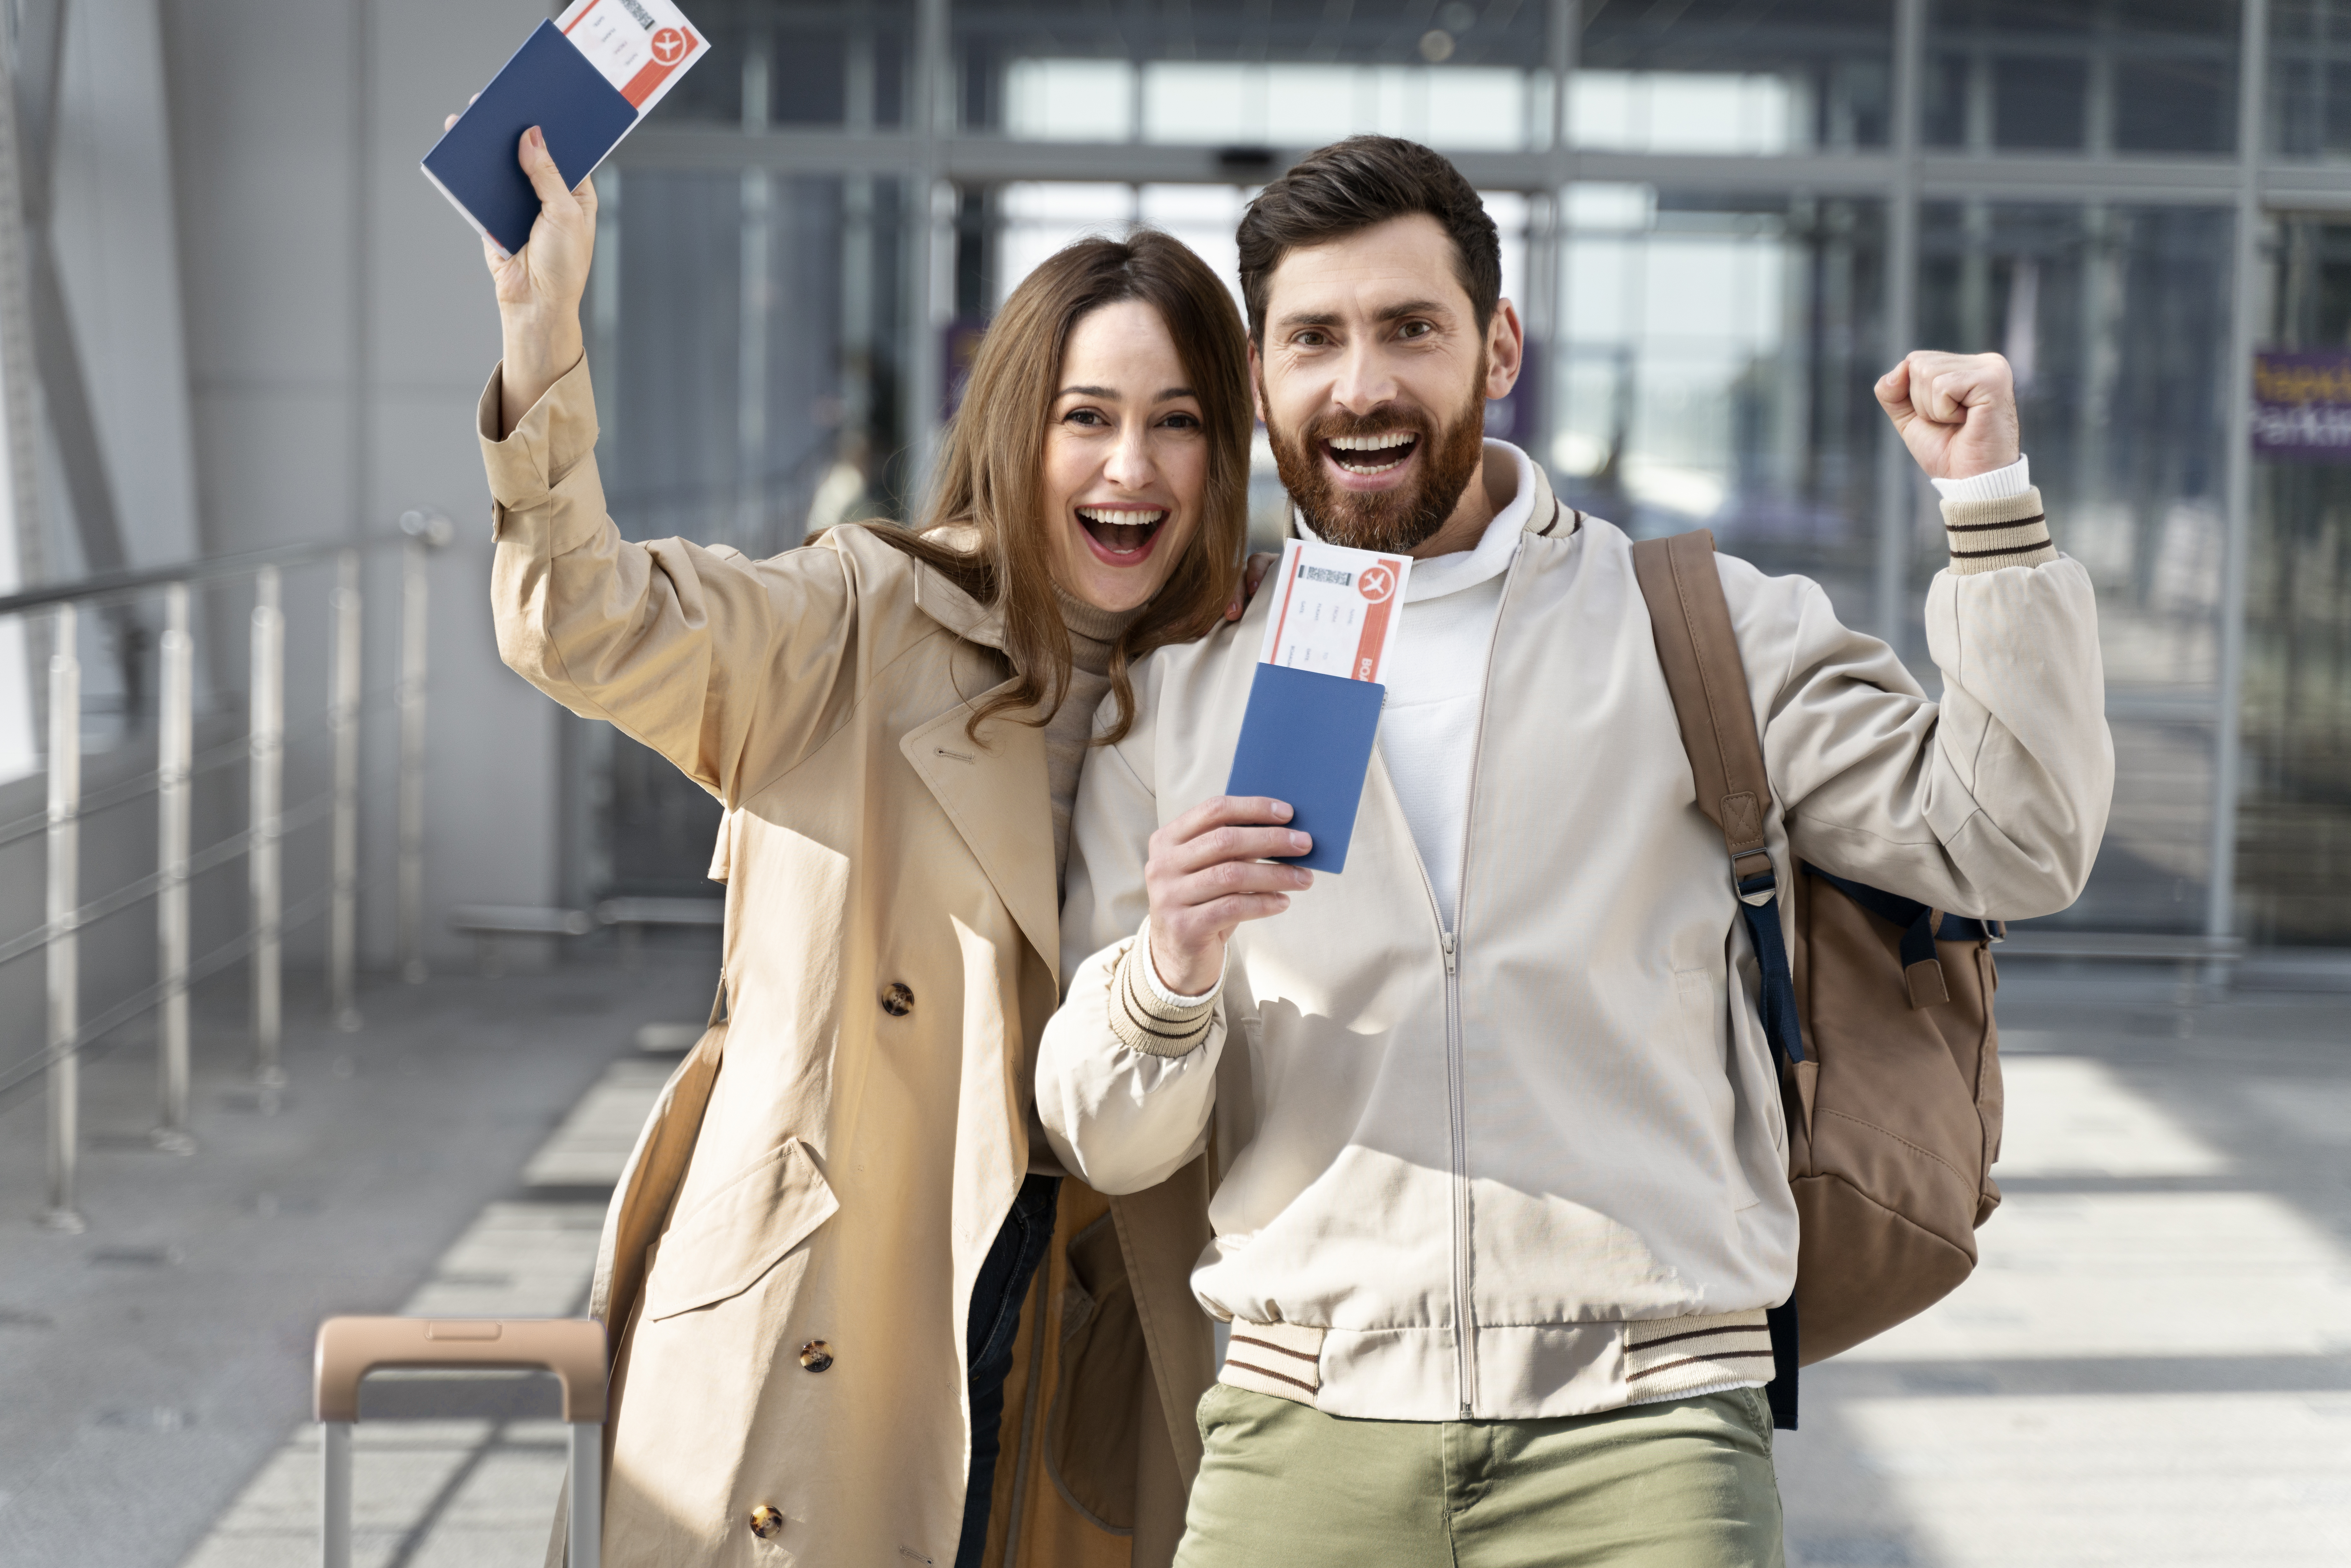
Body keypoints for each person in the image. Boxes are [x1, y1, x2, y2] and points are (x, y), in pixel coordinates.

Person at [1038, 135, 2114, 1566]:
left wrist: (1987, 513)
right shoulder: (1176, 689)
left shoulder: (1701, 628)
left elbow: (2013, 843)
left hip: (1647, 1432)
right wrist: (1166, 968)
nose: (1360, 383)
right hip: (1299, 1432)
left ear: (1495, 347)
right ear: (1258, 377)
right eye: (1314, 338)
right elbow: (1106, 1136)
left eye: (1408, 329)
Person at [467, 124, 1245, 1567]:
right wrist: (543, 341)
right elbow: (581, 619)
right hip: (839, 1292)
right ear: (1017, 428)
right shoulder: (862, 617)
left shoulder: (1251, 674)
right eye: (1085, 416)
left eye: (1178, 420)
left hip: (1098, 1310)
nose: (1128, 467)